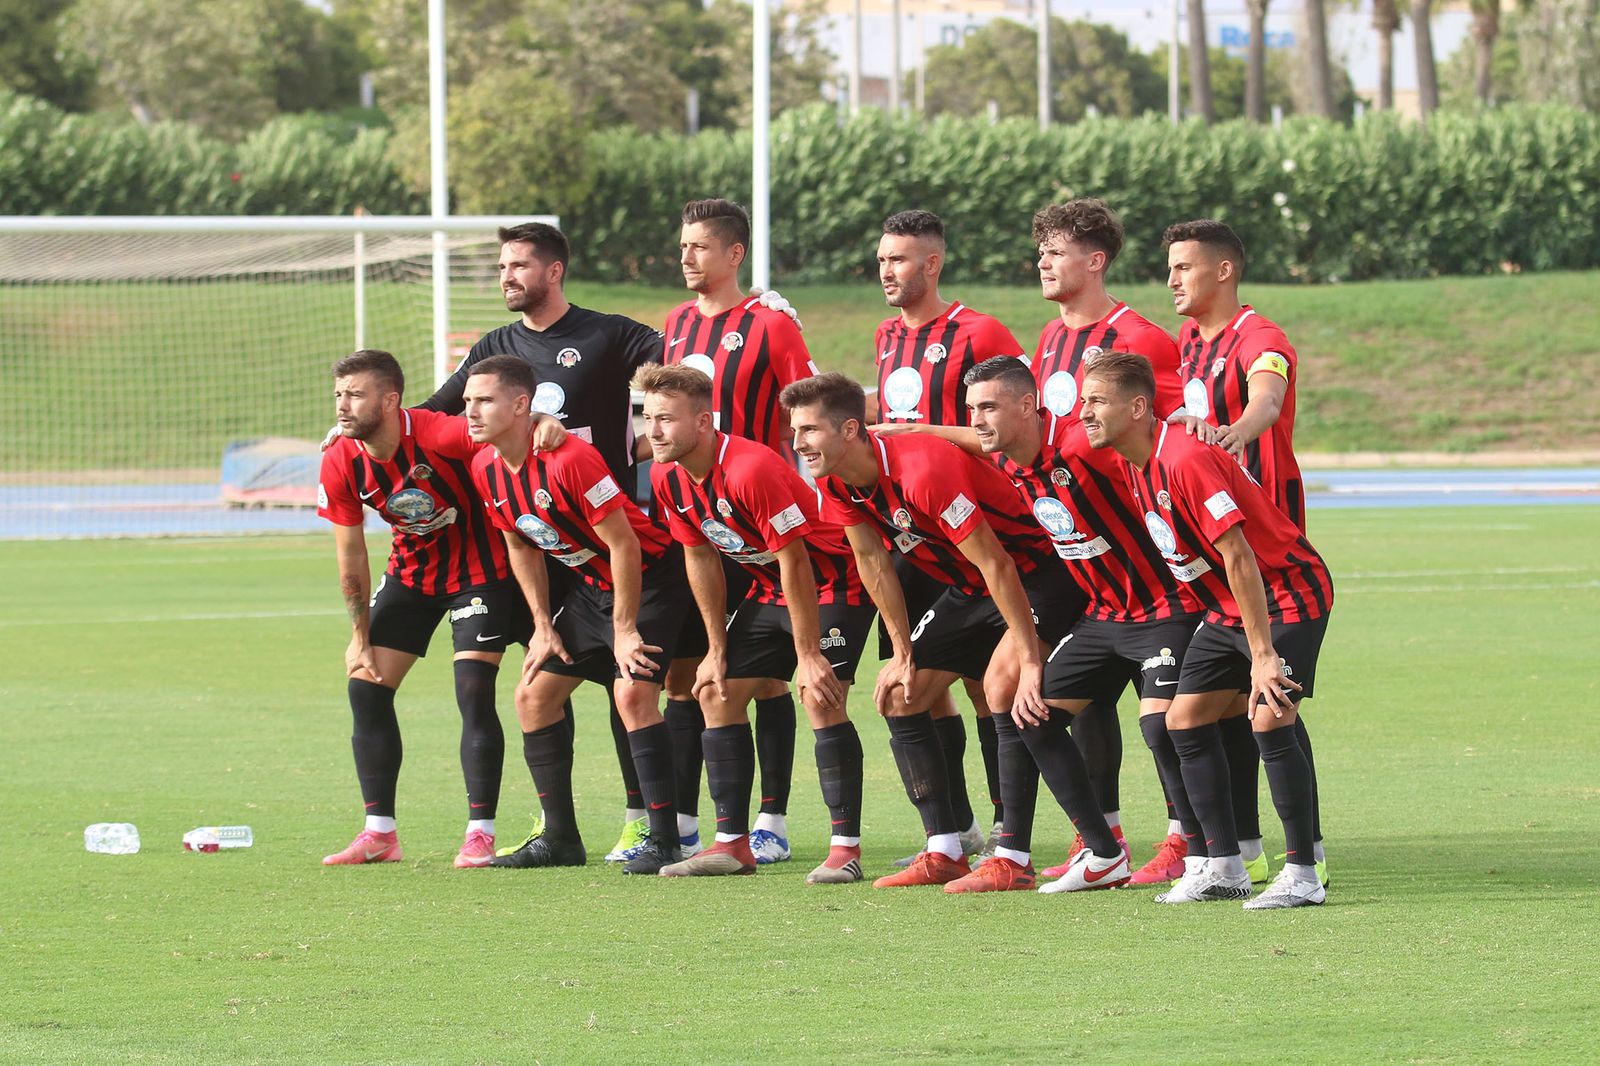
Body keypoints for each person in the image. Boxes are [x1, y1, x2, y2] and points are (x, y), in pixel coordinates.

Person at [419, 221, 666, 866]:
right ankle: (553, 827)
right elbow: (434, 411)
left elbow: (682, 361)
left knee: (631, 686)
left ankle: (649, 822)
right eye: (502, 266)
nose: (507, 276)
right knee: (529, 684)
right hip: (545, 547)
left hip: (615, 542)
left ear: (553, 271)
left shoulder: (606, 333)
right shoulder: (494, 348)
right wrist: (364, 427)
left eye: (520, 265)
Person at [783, 373, 1082, 889]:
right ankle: (943, 848)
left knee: (1003, 689)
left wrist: (1031, 655)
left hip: (1038, 573)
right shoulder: (834, 479)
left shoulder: (922, 469)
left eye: (809, 430)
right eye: (795, 431)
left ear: (850, 429)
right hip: (971, 588)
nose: (798, 443)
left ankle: (1012, 857)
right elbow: (872, 560)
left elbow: (997, 563)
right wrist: (901, 651)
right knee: (900, 694)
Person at [926, 356, 1201, 893]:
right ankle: (1103, 853)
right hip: (1101, 613)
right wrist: (912, 427)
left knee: (1161, 726)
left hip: (1167, 605)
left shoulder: (1083, 446)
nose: (977, 421)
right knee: (1031, 712)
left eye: (989, 408)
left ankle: (1201, 849)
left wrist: (1188, 421)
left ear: (1029, 407)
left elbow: (1153, 444)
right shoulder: (1011, 458)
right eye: (971, 410)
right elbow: (976, 440)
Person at [1080, 351, 1334, 908]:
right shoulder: (1135, 460)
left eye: (1097, 401)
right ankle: (1222, 866)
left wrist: (1262, 654)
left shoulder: (1185, 459)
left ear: (1139, 406)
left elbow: (1240, 556)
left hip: (1284, 594)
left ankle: (1304, 872)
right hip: (1225, 607)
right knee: (1182, 720)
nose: (1086, 412)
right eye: (1083, 402)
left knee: (1269, 717)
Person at [637, 364, 875, 883]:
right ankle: (731, 845)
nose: (652, 431)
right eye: (647, 417)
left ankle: (845, 848)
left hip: (833, 581)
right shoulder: (665, 475)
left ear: (703, 422)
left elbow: (796, 560)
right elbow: (699, 558)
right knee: (716, 692)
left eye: (665, 419)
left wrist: (809, 655)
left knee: (821, 694)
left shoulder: (750, 468)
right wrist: (716, 650)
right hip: (769, 591)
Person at [315, 349, 553, 869]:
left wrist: (541, 420)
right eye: (338, 394)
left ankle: (480, 833)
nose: (343, 405)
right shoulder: (340, 459)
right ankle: (380, 833)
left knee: (472, 690)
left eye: (355, 394)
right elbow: (350, 553)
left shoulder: (438, 433)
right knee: (365, 686)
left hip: (481, 573)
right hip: (411, 575)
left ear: (390, 399)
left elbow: (506, 428)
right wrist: (359, 634)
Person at [463, 356, 690, 875]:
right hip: (591, 589)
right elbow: (519, 544)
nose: (471, 412)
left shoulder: (571, 459)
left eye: (484, 401)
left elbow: (625, 546)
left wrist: (625, 629)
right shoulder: (484, 466)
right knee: (532, 696)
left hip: (652, 578)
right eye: (467, 402)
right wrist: (543, 626)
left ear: (522, 405)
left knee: (633, 692)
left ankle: (664, 840)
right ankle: (560, 839)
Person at [1025, 198, 1188, 877]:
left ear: (1095, 261)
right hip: (1076, 550)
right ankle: (1103, 833)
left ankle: (1188, 836)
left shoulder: (1141, 338)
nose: (1043, 262)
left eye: (1056, 252)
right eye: (1041, 252)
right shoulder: (1047, 339)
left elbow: (1172, 439)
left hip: (1145, 553)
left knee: (1166, 708)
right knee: (1070, 696)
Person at [659, 198, 820, 865]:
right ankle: (686, 826)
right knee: (690, 674)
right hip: (701, 522)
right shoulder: (673, 325)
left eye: (700, 246)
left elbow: (808, 406)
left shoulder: (771, 326)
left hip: (763, 520)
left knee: (771, 680)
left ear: (733, 255)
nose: (687, 258)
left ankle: (772, 821)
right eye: (683, 247)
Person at [1165, 218, 1321, 885]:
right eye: (1169, 268)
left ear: (1223, 270)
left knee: (1266, 707)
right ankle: (1235, 853)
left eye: (1184, 267)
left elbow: (1269, 397)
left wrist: (1233, 433)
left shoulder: (1260, 337)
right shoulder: (1186, 344)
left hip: (1272, 558)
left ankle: (1303, 865)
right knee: (1203, 712)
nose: (1172, 279)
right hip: (1220, 568)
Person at [871, 208, 1026, 861]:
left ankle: (1002, 828)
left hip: (970, 530)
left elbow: (1014, 429)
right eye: (881, 259)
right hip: (910, 538)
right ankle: (954, 828)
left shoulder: (979, 330)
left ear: (931, 264)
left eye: (899, 259)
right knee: (921, 689)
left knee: (977, 683)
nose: (887, 270)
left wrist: (925, 436)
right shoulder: (884, 336)